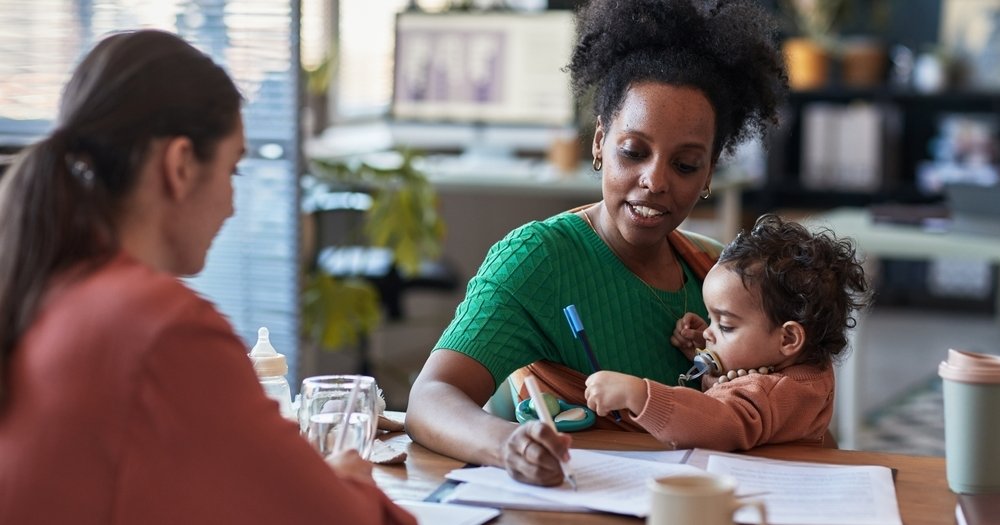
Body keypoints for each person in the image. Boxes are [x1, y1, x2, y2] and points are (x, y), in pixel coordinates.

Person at [0, 30, 414, 525]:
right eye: (232, 170)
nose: (232, 205)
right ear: (179, 166)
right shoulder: (161, 327)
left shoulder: (37, 286)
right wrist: (347, 476)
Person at [406, 0, 788, 487]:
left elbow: (792, 408)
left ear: (710, 172)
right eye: (633, 152)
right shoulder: (538, 259)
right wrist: (508, 445)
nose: (655, 180)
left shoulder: (719, 274)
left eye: (686, 164)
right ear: (599, 143)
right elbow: (431, 396)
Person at [584, 214, 871, 450]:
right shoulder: (803, 364)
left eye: (726, 325)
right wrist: (706, 354)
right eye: (711, 318)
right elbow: (745, 381)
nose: (709, 332)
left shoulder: (778, 393)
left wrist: (639, 395)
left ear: (788, 338)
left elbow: (719, 422)